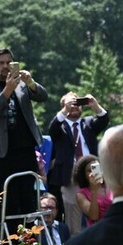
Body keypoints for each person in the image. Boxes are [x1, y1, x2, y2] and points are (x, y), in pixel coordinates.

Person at [0, 48, 48, 230]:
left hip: (26, 150)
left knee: (29, 201)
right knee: (7, 201)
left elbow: (43, 96)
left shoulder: (21, 83)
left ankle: (31, 243)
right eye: (1, 63)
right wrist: (8, 90)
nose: (5, 67)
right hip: (0, 153)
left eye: (8, 62)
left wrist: (30, 82)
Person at [46, 91, 109, 235]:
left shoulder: (88, 123)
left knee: (101, 205)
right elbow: (52, 129)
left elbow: (104, 120)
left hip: (94, 171)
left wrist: (95, 105)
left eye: (77, 103)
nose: (75, 106)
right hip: (71, 175)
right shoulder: (60, 126)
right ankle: (76, 241)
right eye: (70, 103)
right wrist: (65, 109)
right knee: (74, 215)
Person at [74, 155, 112, 226]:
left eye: (96, 169)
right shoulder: (81, 194)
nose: (93, 173)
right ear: (84, 175)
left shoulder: (110, 186)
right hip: (98, 229)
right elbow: (94, 216)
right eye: (89, 171)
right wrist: (94, 191)